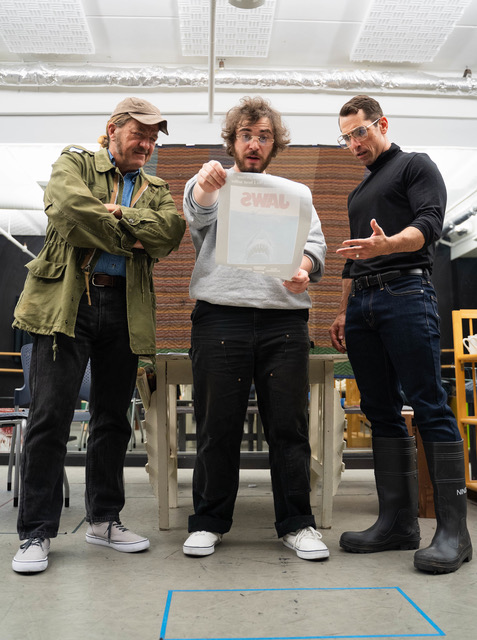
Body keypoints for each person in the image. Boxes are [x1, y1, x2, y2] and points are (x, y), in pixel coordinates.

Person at [11, 97, 186, 573]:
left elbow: (170, 233)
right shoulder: (75, 162)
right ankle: (35, 533)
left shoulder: (156, 185)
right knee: (50, 417)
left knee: (113, 419)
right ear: (112, 129)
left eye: (153, 139)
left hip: (125, 309)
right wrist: (131, 235)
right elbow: (68, 209)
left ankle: (104, 520)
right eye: (139, 135)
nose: (147, 145)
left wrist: (116, 217)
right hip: (67, 303)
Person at [329, 94, 472, 574]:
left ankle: (454, 532)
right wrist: (341, 310)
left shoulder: (415, 165)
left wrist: (390, 243)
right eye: (346, 137)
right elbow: (354, 257)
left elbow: (429, 225)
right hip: (364, 304)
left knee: (429, 404)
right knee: (380, 410)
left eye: (360, 132)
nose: (353, 144)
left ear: (381, 123)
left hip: (407, 294)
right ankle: (397, 523)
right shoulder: (358, 193)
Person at [182, 96, 329, 561]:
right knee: (216, 426)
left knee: (289, 427)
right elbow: (197, 213)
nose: (254, 143)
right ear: (232, 140)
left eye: (263, 136)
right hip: (220, 315)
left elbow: (315, 248)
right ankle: (208, 521)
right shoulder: (212, 182)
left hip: (284, 320)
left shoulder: (296, 194)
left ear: (273, 144)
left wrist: (305, 268)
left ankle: (297, 524)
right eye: (246, 134)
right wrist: (206, 187)